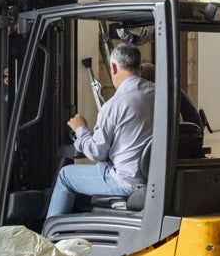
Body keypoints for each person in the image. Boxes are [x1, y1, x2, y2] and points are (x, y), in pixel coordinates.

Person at [46, 44, 155, 218]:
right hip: (153, 178)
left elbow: (96, 151)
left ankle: (47, 237)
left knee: (65, 175)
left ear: (113, 67)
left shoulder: (115, 105)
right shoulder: (159, 94)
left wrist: (81, 130)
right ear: (139, 67)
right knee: (100, 167)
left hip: (126, 182)